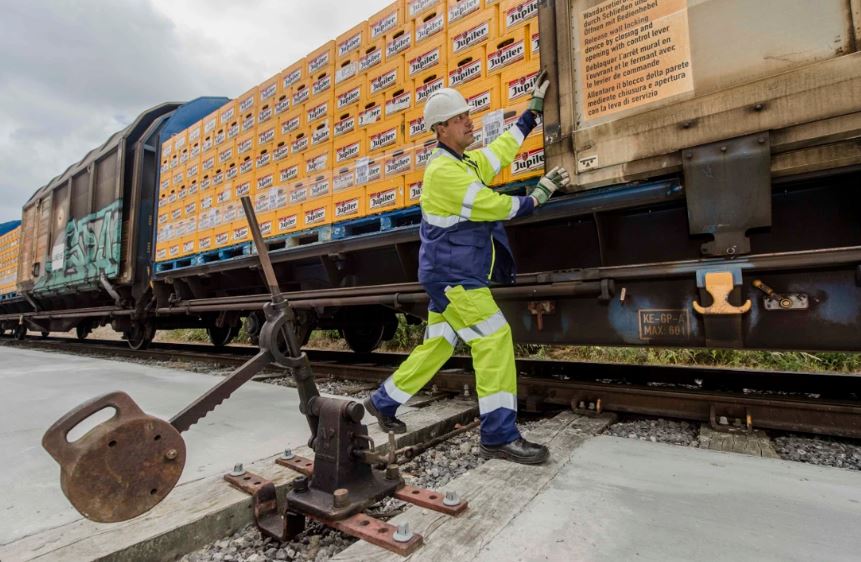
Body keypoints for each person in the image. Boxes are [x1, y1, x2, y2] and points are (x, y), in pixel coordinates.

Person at [363, 70, 570, 465]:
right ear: (441, 129)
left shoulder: (466, 162)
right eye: (461, 119)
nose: (469, 122)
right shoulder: (444, 173)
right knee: (493, 339)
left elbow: (501, 151)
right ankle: (498, 435)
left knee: (439, 343)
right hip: (455, 276)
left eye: (468, 116)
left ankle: (383, 401)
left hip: (446, 273)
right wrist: (536, 197)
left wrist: (531, 112)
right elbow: (492, 205)